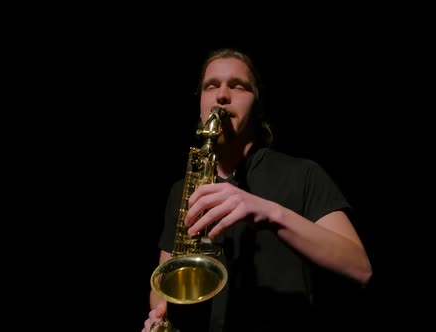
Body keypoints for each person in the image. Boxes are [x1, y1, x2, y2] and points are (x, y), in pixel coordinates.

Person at [142, 48, 372, 332]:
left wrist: (268, 211)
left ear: (257, 106)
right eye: (211, 86)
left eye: (238, 86)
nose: (222, 95)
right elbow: (163, 284)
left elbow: (359, 268)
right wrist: (159, 315)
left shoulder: (302, 173)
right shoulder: (182, 190)